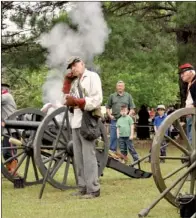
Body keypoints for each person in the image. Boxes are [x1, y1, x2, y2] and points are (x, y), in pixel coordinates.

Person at [63, 56, 102, 199]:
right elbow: (66, 99)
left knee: (88, 157)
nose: (73, 68)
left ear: (82, 64)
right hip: (76, 121)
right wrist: (66, 84)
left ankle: (93, 189)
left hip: (88, 119)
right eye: (71, 67)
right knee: (78, 158)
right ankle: (82, 187)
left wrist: (79, 102)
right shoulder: (74, 82)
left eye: (75, 65)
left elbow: (97, 99)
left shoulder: (92, 77)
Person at [106, 81, 136, 152]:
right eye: (118, 86)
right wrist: (110, 116)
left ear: (124, 87)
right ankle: (112, 154)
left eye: (121, 86)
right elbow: (107, 107)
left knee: (126, 138)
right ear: (116, 87)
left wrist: (128, 117)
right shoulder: (112, 96)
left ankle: (125, 154)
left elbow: (132, 108)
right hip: (115, 120)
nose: (120, 87)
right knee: (113, 137)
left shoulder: (128, 96)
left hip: (125, 122)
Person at [1, 83, 18, 175]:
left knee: (11, 152)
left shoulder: (7, 96)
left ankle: (14, 172)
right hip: (5, 129)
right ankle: (9, 171)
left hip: (11, 129)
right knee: (5, 152)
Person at [179, 63, 196, 143]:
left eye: (183, 73)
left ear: (191, 72)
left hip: (194, 116)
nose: (181, 76)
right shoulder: (189, 84)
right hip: (190, 116)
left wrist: (193, 105)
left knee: (192, 140)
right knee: (190, 139)